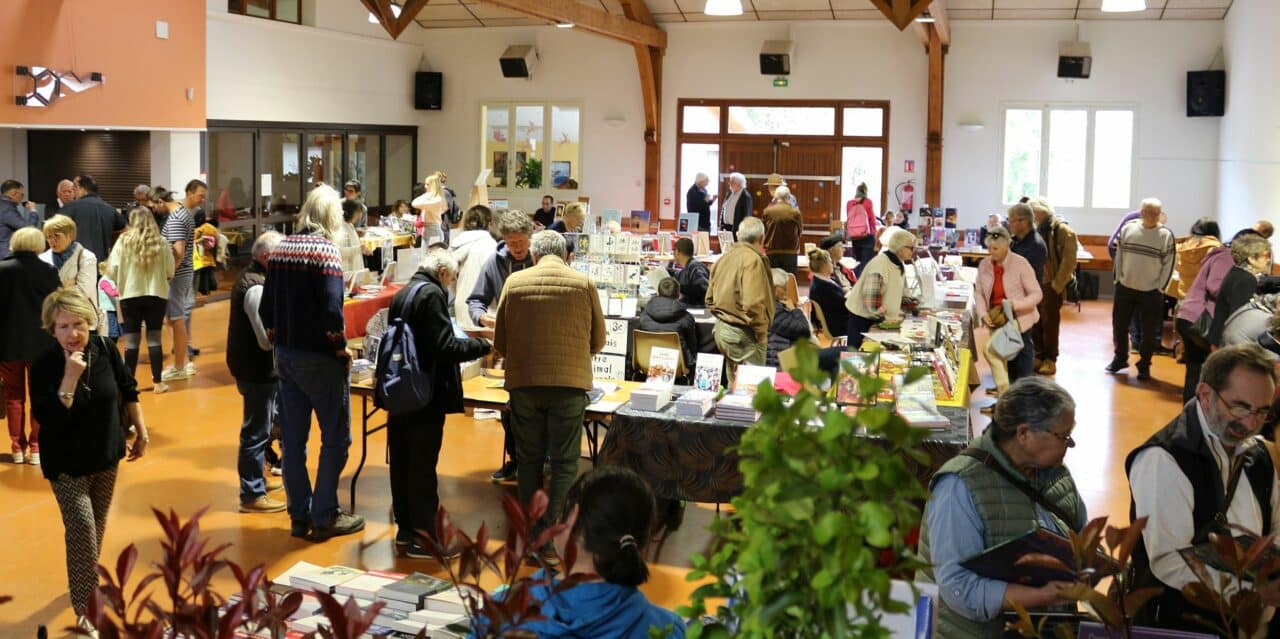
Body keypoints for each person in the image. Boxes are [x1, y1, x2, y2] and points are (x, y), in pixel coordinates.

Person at [1126, 344, 1280, 633]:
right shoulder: (1164, 458)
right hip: (1187, 621)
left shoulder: (1258, 454)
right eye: (1240, 407)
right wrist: (1250, 593)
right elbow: (1170, 562)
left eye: (1262, 412)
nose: (1251, 423)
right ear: (1206, 395)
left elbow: (1276, 526)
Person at [920, 377, 1085, 638]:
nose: (1070, 444)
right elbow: (958, 588)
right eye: (1063, 435)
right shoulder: (959, 485)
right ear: (1023, 433)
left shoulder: (1055, 473)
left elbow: (1080, 531)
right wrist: (1041, 595)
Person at [30, 287, 150, 635]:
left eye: (79, 324)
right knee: (82, 530)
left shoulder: (106, 349)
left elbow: (128, 389)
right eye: (63, 326)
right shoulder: (45, 364)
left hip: (106, 455)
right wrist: (69, 378)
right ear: (52, 330)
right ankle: (86, 610)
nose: (73, 333)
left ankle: (87, 584)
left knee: (94, 531)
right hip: (67, 465)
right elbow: (48, 418)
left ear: (91, 322)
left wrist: (141, 432)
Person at [260, 184, 363, 541]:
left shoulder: (281, 249)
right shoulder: (326, 252)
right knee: (336, 438)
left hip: (286, 356)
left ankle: (298, 513)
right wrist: (339, 348)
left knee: (294, 440)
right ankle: (325, 514)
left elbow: (265, 308)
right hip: (320, 358)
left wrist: (279, 340)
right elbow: (333, 311)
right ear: (333, 216)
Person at [493, 230, 605, 555]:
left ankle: (530, 531)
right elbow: (598, 340)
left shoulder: (515, 283)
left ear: (534, 256)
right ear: (567, 255)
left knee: (528, 460)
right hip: (569, 386)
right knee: (565, 461)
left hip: (524, 384)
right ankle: (552, 533)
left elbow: (500, 341)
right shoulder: (584, 284)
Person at [385, 248, 492, 557]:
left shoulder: (403, 292)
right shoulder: (431, 295)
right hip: (424, 393)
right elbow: (443, 346)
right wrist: (480, 346)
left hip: (400, 390)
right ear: (443, 273)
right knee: (422, 466)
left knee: (403, 463)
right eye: (453, 279)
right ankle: (426, 538)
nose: (451, 285)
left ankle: (406, 530)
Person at [227, 231, 287, 514]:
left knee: (263, 426)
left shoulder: (255, 279)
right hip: (257, 370)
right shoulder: (256, 288)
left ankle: (256, 482)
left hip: (255, 368)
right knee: (256, 431)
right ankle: (251, 494)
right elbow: (265, 340)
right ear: (266, 257)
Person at [0, 228, 60, 464]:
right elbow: (57, 307)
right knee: (40, 395)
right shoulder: (48, 271)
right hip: (42, 344)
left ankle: (16, 448)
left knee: (13, 396)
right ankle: (36, 448)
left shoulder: (1, 270)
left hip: (7, 343)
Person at [1107, 198, 1176, 381]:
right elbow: (1119, 254)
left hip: (1151, 291)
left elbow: (1169, 263)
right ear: (1142, 212)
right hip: (1125, 287)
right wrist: (1119, 278)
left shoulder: (1166, 235)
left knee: (1149, 332)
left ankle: (1144, 364)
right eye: (1150, 213)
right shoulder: (1128, 228)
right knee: (1119, 326)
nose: (1154, 217)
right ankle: (1120, 358)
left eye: (1157, 213)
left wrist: (1160, 287)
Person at [1176, 230, 1248, 402]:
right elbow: (1215, 285)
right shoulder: (1226, 257)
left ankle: (1191, 411)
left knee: (1195, 370)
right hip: (1199, 318)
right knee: (1205, 372)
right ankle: (1198, 412)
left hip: (1190, 316)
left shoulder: (1220, 254)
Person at [108, 208, 175, 393]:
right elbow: (170, 270)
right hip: (156, 295)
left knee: (131, 341)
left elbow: (112, 269)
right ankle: (158, 382)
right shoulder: (161, 242)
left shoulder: (123, 241)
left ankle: (129, 384)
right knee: (154, 338)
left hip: (130, 295)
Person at [706, 217, 774, 385]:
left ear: (738, 235)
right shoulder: (753, 260)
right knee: (754, 391)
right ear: (762, 238)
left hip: (723, 329)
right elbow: (752, 303)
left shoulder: (724, 258)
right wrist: (761, 332)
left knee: (733, 387)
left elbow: (709, 298)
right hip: (745, 332)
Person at [975, 226, 1043, 395]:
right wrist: (983, 313)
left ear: (1008, 245)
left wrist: (1015, 304)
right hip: (997, 318)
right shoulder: (984, 264)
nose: (991, 252)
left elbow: (1037, 294)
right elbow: (979, 293)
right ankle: (1008, 395)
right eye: (989, 248)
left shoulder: (1021, 264)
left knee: (1000, 354)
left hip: (1020, 320)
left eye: (996, 248)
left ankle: (1014, 394)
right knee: (1004, 357)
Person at [845, 227, 917, 348]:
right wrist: (887, 320)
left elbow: (901, 295)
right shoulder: (880, 264)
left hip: (877, 318)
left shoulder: (898, 264)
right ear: (899, 249)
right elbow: (871, 302)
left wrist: (915, 308)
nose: (913, 251)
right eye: (910, 248)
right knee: (857, 356)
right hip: (863, 319)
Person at [1029, 198, 1076, 377]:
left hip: (1051, 284)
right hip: (1035, 283)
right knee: (1035, 321)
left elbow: (1069, 260)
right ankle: (1038, 355)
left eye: (1033, 213)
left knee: (1050, 323)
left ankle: (1050, 359)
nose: (1032, 217)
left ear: (1042, 212)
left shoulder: (1061, 230)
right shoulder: (1034, 229)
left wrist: (1057, 284)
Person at [467, 209, 534, 329]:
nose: (518, 247)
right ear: (505, 240)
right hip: (508, 330)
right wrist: (481, 317)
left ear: (529, 238)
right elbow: (476, 300)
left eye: (521, 241)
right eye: (512, 242)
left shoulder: (540, 259)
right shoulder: (494, 261)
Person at [1207, 233, 1273, 349]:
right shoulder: (1246, 280)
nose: (1268, 260)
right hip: (1228, 343)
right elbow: (1240, 316)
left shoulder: (1237, 273)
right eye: (1266, 255)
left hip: (1221, 338)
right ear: (1251, 259)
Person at [40, 215, 101, 327]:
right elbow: (41, 293)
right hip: (52, 321)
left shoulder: (86, 256)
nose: (52, 241)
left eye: (57, 236)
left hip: (81, 319)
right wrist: (67, 285)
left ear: (70, 235)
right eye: (48, 237)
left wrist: (55, 290)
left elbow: (84, 291)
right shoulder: (42, 258)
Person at [58, 175, 125, 265]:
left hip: (76, 264)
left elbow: (52, 229)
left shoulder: (70, 207)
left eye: (75, 188)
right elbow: (126, 231)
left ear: (81, 188)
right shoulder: (111, 210)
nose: (74, 192)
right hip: (102, 265)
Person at [450, 205, 497, 330]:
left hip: (460, 308)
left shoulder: (457, 243)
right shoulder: (489, 244)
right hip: (485, 313)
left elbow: (451, 281)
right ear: (489, 222)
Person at [636, 277, 698, 369]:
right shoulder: (686, 318)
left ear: (658, 293)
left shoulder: (644, 315)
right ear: (678, 295)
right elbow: (693, 346)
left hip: (647, 362)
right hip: (678, 365)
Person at [766, 268, 812, 368]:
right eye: (784, 289)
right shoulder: (774, 310)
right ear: (774, 288)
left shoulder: (773, 306)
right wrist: (795, 310)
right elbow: (805, 331)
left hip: (787, 355)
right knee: (837, 357)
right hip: (781, 361)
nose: (786, 293)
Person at [806, 248, 850, 338]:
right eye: (830, 262)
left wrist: (844, 290)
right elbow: (846, 305)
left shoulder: (820, 280)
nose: (833, 265)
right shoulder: (822, 287)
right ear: (824, 265)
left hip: (839, 319)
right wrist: (850, 293)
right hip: (839, 326)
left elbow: (837, 297)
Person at [762, 186, 803, 274]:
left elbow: (763, 231)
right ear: (788, 197)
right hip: (790, 251)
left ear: (776, 197)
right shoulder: (795, 212)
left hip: (772, 250)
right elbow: (800, 231)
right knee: (789, 281)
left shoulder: (767, 211)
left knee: (773, 281)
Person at [1006, 202, 1047, 283]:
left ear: (1024, 221)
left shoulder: (1035, 246)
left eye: (1011, 221)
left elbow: (1023, 277)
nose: (1009, 225)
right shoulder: (1015, 240)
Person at [0, 179, 40, 260]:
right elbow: (29, 229)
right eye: (22, 195)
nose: (22, 198)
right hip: (5, 257)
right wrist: (33, 211)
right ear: (13, 193)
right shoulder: (7, 209)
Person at [845, 182, 878, 270]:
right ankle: (863, 282)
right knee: (866, 264)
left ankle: (855, 281)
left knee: (857, 262)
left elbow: (848, 219)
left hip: (855, 237)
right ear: (866, 192)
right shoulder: (868, 202)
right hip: (867, 236)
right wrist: (875, 233)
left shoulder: (849, 203)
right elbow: (872, 220)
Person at [668, 237, 709, 307]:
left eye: (673, 250)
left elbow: (703, 289)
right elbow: (678, 274)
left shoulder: (696, 267)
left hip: (697, 310)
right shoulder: (688, 267)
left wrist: (680, 288)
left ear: (677, 252)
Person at [412, 174, 448, 246]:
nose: (425, 187)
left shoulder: (437, 199)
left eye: (427, 184)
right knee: (425, 255)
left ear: (433, 185)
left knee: (433, 255)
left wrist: (427, 194)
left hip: (433, 229)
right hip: (427, 229)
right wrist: (428, 194)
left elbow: (414, 203)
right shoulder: (432, 198)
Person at [335, 199, 368, 273]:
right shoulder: (340, 229)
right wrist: (359, 249)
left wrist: (362, 249)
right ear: (351, 211)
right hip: (347, 273)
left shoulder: (350, 226)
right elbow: (339, 252)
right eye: (358, 212)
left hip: (355, 273)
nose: (360, 215)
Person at [193, 217, 221, 296]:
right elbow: (216, 247)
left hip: (198, 261)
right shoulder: (213, 230)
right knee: (207, 282)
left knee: (199, 284)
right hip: (208, 260)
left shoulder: (199, 229)